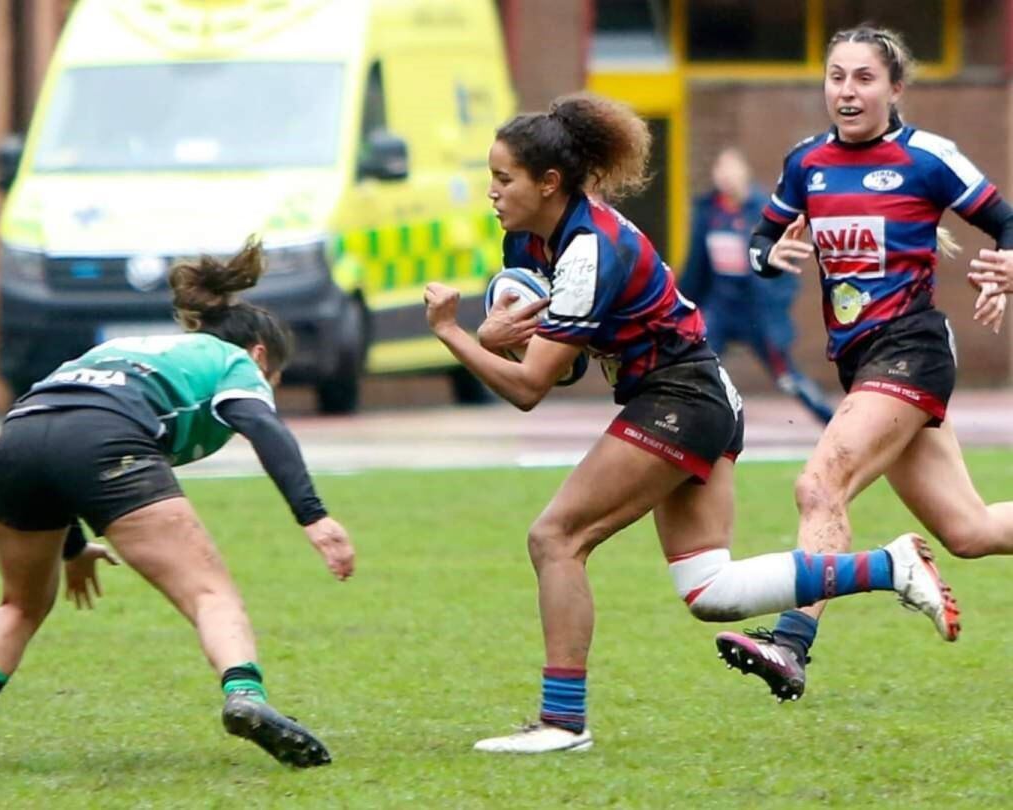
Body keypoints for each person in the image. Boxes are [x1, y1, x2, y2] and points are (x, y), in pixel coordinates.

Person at [422, 92, 957, 755]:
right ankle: (888, 565)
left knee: (555, 537)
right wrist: (499, 333)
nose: (493, 193)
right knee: (711, 590)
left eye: (503, 179)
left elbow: (531, 387)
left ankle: (563, 723)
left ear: (548, 182)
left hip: (681, 398)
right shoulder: (530, 238)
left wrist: (452, 334)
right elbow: (557, 368)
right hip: (696, 398)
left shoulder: (592, 248)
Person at [0, 237, 355, 773]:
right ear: (261, 356)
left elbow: (59, 434)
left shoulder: (128, 348)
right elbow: (262, 426)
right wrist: (313, 516)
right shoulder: (234, 362)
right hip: (105, 439)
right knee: (209, 591)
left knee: (19, 603)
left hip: (19, 435)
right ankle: (245, 696)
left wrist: (72, 545)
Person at [714, 24, 1013, 702]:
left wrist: (1006, 268)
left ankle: (790, 644)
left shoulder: (929, 158)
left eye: (864, 78)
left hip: (910, 353)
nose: (847, 91)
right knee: (968, 530)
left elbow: (1006, 220)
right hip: (865, 367)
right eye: (837, 77)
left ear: (895, 88)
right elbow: (763, 236)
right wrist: (769, 255)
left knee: (820, 484)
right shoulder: (807, 162)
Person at [679, 146, 834, 423]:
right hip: (720, 306)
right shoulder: (708, 211)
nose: (726, 178)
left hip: (757, 309)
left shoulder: (764, 211)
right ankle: (689, 423)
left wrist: (778, 305)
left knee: (787, 376)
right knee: (696, 364)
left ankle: (830, 421)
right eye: (720, 171)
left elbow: (784, 271)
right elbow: (696, 266)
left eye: (731, 170)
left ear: (744, 172)